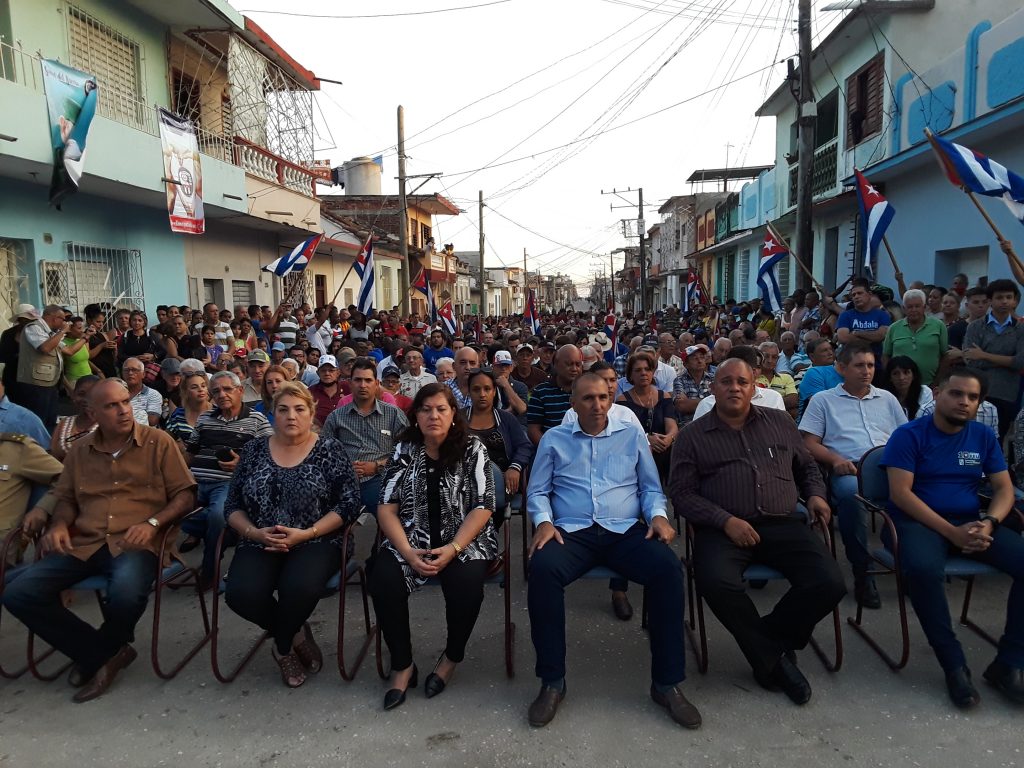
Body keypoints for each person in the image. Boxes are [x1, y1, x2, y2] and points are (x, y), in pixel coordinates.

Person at [1, 378, 196, 702]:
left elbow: (185, 496)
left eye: (124, 402)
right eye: (111, 406)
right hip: (86, 542)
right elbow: (65, 498)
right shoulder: (80, 450)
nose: (123, 411)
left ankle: (97, 656)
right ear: (91, 412)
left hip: (137, 542)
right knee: (18, 593)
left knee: (124, 592)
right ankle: (102, 654)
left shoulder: (158, 442)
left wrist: (153, 522)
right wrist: (60, 525)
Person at [525, 372, 699, 729]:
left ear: (611, 399)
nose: (598, 405)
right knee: (542, 570)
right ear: (573, 404)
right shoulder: (555, 440)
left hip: (624, 531)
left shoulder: (631, 435)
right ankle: (552, 681)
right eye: (588, 398)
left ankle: (667, 684)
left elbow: (651, 489)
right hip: (572, 532)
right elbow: (538, 490)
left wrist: (659, 517)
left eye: (604, 397)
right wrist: (543, 521)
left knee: (667, 570)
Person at [671, 358, 845, 705]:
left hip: (782, 522)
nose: (734, 388)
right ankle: (774, 661)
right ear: (712, 388)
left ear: (754, 387)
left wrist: (814, 494)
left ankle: (767, 643)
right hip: (722, 528)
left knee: (830, 582)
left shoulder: (780, 423)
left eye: (741, 382)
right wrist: (725, 521)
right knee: (715, 582)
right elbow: (681, 494)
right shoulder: (692, 436)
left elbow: (807, 467)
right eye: (725, 382)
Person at [883, 368, 1024, 708]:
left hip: (971, 522)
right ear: (938, 393)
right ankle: (953, 663)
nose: (964, 402)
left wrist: (988, 523)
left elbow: (1004, 488)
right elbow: (901, 495)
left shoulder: (982, 436)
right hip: (914, 524)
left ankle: (1009, 663)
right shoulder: (909, 435)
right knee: (924, 571)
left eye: (972, 397)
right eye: (956, 394)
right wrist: (952, 533)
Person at [222, 382, 361, 687]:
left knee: (297, 587)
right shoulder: (255, 450)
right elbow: (232, 505)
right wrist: (254, 533)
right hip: (261, 538)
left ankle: (282, 647)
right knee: (239, 594)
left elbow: (350, 502)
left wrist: (307, 533)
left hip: (318, 538)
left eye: (299, 409)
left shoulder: (329, 449)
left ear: (311, 413)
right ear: (272, 414)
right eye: (282, 410)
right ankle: (296, 633)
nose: (291, 416)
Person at [369, 383, 498, 709]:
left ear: (453, 413)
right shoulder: (404, 450)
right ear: (416, 416)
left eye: (441, 408)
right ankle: (402, 664)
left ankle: (451, 657)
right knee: (383, 578)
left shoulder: (473, 449)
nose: (433, 415)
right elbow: (386, 507)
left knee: (467, 585)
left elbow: (483, 506)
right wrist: (409, 552)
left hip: (465, 539)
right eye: (425, 409)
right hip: (412, 536)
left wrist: (454, 548)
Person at [800, 341, 907, 609]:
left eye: (870, 365)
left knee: (921, 492)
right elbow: (808, 443)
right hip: (850, 469)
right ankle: (863, 572)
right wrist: (835, 459)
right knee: (850, 495)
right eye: (859, 365)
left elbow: (906, 438)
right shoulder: (823, 400)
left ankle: (910, 560)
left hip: (889, 467)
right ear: (841, 368)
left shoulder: (887, 399)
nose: (867, 371)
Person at [184, 370, 273, 588]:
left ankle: (210, 568)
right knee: (170, 512)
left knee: (216, 516)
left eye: (227, 389)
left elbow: (272, 455)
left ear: (240, 391)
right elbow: (191, 451)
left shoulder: (256, 420)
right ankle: (231, 533)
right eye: (216, 391)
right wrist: (177, 475)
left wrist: (241, 463)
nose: (222, 394)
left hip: (227, 483)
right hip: (195, 482)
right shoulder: (205, 418)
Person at [322, 358, 409, 512]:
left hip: (381, 480)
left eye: (368, 380)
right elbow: (324, 454)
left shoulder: (393, 414)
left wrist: (377, 467)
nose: (363, 385)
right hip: (345, 481)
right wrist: (345, 469)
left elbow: (407, 452)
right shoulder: (336, 417)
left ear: (376, 384)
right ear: (350, 383)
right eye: (358, 380)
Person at [464, 369, 534, 526]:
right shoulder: (459, 420)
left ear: (494, 392)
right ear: (468, 392)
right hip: (465, 484)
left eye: (487, 389)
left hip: (502, 483)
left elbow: (524, 446)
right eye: (476, 389)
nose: (482, 394)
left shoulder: (506, 419)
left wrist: (515, 468)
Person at [962, 279, 1024, 440]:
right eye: (999, 297)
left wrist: (984, 355)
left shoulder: (1020, 329)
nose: (1004, 301)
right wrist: (1006, 361)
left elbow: (1019, 362)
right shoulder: (975, 327)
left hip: (1008, 393)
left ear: (1015, 301)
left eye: (1009, 297)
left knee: (997, 439)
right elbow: (971, 360)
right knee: (971, 436)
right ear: (990, 301)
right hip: (979, 391)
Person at [617, 350, 678, 479]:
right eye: (638, 370)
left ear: (653, 372)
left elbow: (672, 425)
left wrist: (669, 438)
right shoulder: (622, 400)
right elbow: (625, 434)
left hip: (663, 450)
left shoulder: (664, 396)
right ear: (630, 375)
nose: (643, 373)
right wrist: (647, 440)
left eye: (647, 369)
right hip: (637, 453)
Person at [15, 304, 67, 431]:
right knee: (38, 420)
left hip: (49, 382)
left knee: (50, 418)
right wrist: (63, 331)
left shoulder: (49, 332)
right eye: (62, 319)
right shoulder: (33, 327)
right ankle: (37, 448)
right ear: (53, 317)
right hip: (36, 383)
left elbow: (67, 350)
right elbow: (45, 348)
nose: (64, 322)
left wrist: (85, 337)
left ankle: (48, 447)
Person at [882, 289, 948, 386]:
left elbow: (945, 356)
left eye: (917, 306)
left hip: (930, 385)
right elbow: (885, 356)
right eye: (910, 307)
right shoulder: (894, 328)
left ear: (924, 307)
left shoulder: (938, 326)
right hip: (900, 386)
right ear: (904, 309)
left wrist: (937, 381)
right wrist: (891, 379)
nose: (914, 310)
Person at [526, 345, 582, 446]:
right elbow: (533, 430)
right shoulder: (540, 392)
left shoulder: (586, 391)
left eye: (578, 364)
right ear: (555, 364)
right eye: (569, 364)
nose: (574, 369)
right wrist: (550, 449)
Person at [836, 278, 891, 368]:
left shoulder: (882, 315)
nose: (856, 297)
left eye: (860, 293)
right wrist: (872, 337)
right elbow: (843, 338)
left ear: (869, 295)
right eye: (853, 295)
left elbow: (882, 335)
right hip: (852, 366)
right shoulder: (845, 315)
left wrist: (857, 333)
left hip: (876, 365)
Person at [51, 375, 100, 461]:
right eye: (81, 394)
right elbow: (53, 456)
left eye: (92, 394)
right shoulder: (64, 423)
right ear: (73, 395)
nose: (86, 399)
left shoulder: (107, 425)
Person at [164, 370, 212, 447]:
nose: (200, 390)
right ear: (186, 391)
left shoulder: (217, 412)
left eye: (203, 386)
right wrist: (177, 446)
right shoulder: (178, 414)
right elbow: (165, 441)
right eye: (194, 387)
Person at [797, 338, 843, 417]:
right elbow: (821, 407)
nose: (830, 353)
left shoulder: (843, 370)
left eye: (831, 349)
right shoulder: (811, 373)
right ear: (812, 356)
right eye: (824, 350)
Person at [673, 344, 714, 427]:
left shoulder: (713, 378)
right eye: (695, 358)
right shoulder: (679, 380)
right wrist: (710, 403)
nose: (699, 361)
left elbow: (721, 402)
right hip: (688, 426)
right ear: (685, 364)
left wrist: (690, 402)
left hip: (712, 423)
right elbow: (682, 405)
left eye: (702, 357)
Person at [882, 356, 933, 420]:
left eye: (906, 372)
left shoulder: (924, 392)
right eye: (895, 374)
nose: (901, 378)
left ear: (914, 375)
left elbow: (925, 420)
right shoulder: (884, 396)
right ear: (890, 378)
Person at [757, 342, 799, 416]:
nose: (770, 360)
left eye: (774, 357)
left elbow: (793, 401)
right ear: (759, 357)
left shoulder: (786, 377)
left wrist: (763, 402)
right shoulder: (751, 378)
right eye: (766, 356)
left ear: (778, 359)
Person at [60, 316, 98, 391]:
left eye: (83, 328)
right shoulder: (62, 343)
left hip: (89, 378)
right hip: (74, 382)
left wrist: (98, 371)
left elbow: (87, 358)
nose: (82, 331)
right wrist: (70, 389)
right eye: (79, 328)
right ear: (69, 329)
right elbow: (60, 370)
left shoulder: (83, 340)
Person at [121, 358, 162, 427]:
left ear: (143, 374)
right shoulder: (115, 393)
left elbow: (152, 421)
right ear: (122, 373)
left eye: (134, 370)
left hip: (144, 434)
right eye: (126, 370)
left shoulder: (153, 394)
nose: (130, 373)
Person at [309, 354, 346, 426]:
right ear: (317, 373)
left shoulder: (347, 387)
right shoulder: (310, 392)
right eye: (323, 370)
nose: (327, 373)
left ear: (338, 372)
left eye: (331, 370)